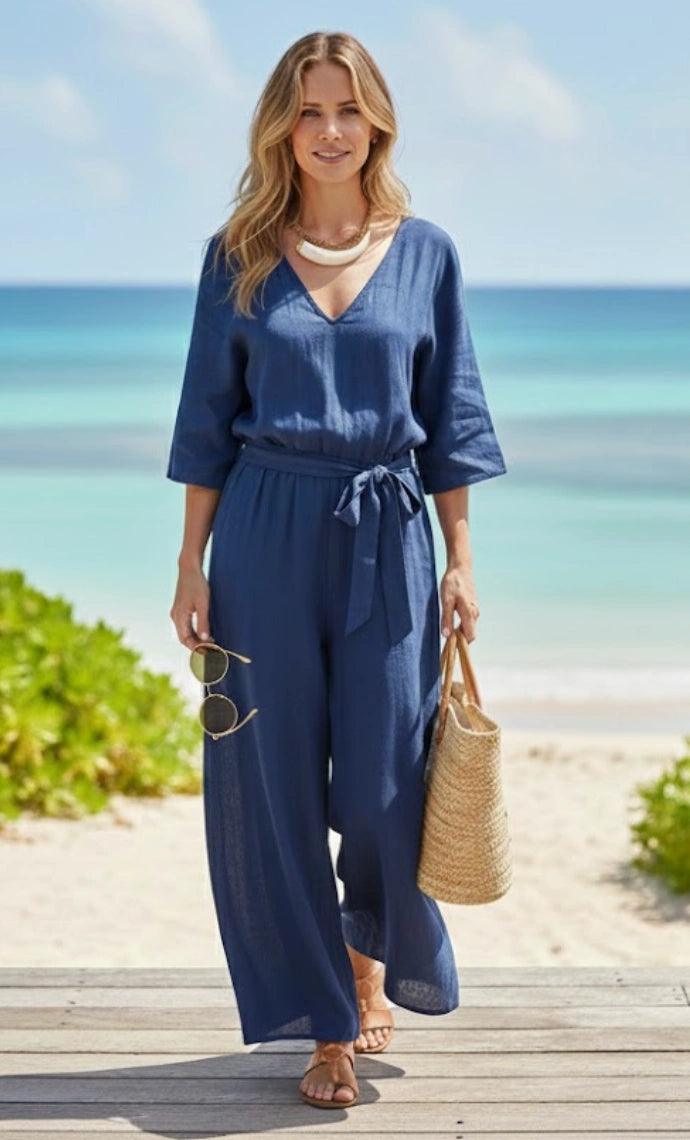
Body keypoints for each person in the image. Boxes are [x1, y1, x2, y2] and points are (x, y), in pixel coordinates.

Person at [167, 30, 507, 1110]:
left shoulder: (427, 253)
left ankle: (370, 952)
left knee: (381, 783)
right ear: (282, 126)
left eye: (346, 111)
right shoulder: (238, 256)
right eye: (309, 112)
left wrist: (460, 560)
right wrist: (189, 565)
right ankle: (326, 1029)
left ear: (377, 123)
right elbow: (203, 424)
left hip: (390, 528)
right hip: (263, 529)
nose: (328, 131)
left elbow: (451, 420)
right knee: (269, 782)